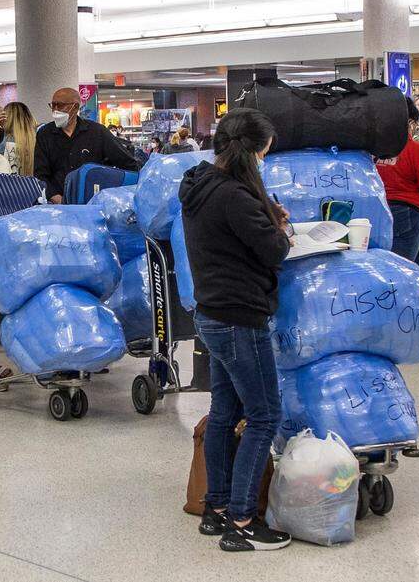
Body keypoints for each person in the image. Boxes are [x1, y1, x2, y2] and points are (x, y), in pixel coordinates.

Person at [179, 107, 293, 553]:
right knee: (264, 415)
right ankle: (244, 520)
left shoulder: (201, 186)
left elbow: (233, 234)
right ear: (253, 152)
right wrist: (278, 226)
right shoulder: (236, 197)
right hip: (241, 318)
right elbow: (275, 251)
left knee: (225, 413)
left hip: (211, 314)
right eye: (265, 153)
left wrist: (264, 212)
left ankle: (217, 507)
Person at [33, 87, 142, 203]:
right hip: (57, 205)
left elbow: (128, 163)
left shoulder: (97, 132)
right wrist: (57, 199)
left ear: (75, 107)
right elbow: (40, 174)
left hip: (91, 205)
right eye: (52, 105)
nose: (55, 110)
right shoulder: (45, 134)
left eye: (59, 105)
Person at [377, 98, 419, 271]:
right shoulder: (415, 150)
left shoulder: (375, 149)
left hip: (382, 212)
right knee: (400, 270)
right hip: (410, 213)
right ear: (409, 122)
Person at [0, 101, 38, 175]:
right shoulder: (40, 140)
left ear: (7, 119)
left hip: (6, 185)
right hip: (33, 185)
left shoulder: (0, 142)